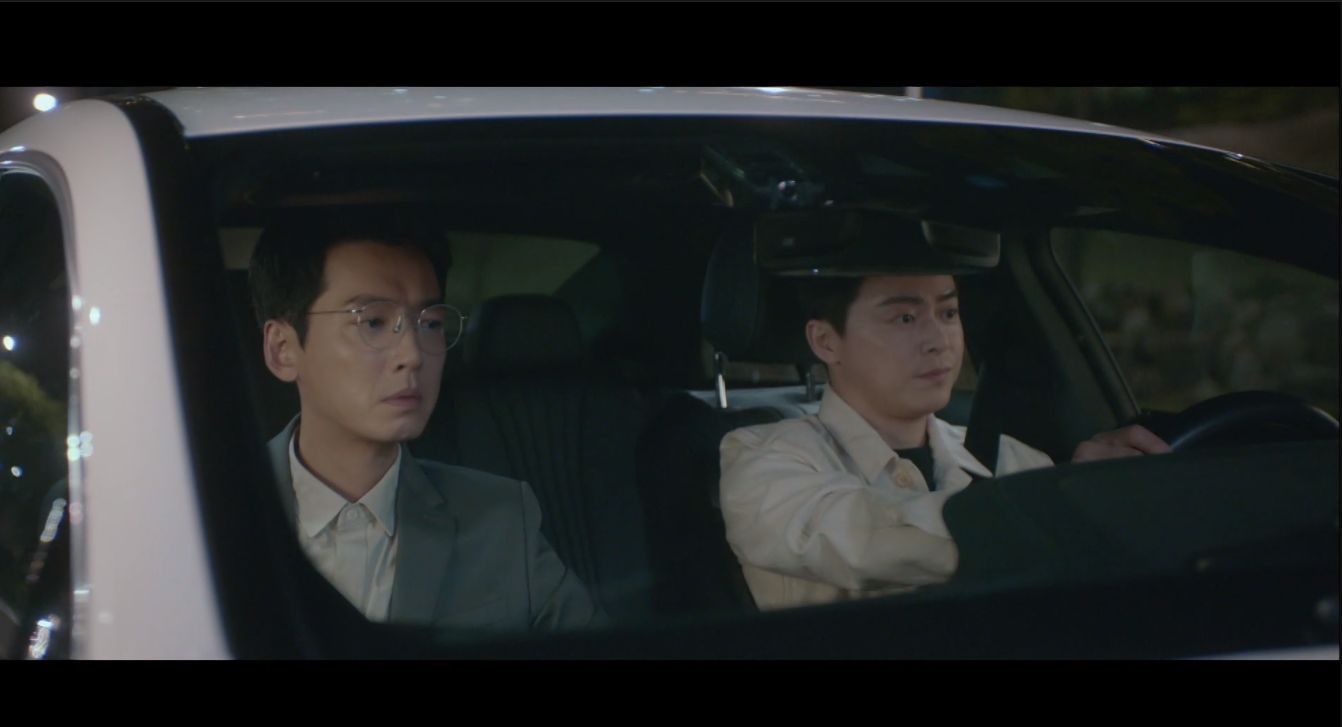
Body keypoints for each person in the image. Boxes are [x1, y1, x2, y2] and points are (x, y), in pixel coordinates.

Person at [719, 273, 1171, 611]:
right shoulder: (763, 460)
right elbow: (853, 537)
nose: (939, 340)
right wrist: (1056, 508)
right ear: (825, 341)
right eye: (905, 317)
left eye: (949, 313)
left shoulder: (1015, 460)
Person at [249, 207, 602, 632]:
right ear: (283, 350)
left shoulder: (500, 520)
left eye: (430, 323)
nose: (413, 354)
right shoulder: (205, 513)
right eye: (373, 322)